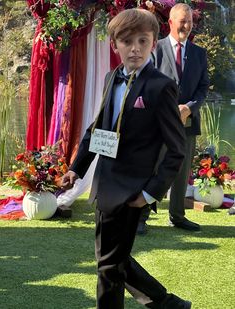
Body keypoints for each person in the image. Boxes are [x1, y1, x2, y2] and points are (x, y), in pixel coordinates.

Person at [61, 8, 191, 309]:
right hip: (106, 184)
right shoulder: (111, 78)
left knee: (108, 267)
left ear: (153, 43)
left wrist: (148, 194)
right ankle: (167, 303)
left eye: (143, 41)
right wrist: (77, 168)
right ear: (114, 44)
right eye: (126, 41)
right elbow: (98, 128)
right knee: (111, 259)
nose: (135, 48)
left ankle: (165, 303)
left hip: (132, 191)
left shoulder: (161, 87)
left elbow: (176, 150)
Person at [137, 3, 209, 234]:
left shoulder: (199, 53)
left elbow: (203, 88)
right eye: (182, 21)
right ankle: (141, 217)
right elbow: (145, 83)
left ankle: (177, 216)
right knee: (152, 168)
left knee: (181, 170)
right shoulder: (155, 49)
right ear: (170, 22)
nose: (186, 26)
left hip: (187, 123)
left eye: (189, 21)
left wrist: (189, 107)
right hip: (157, 125)